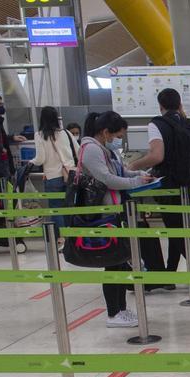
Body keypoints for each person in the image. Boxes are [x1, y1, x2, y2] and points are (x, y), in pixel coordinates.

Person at [77, 111, 155, 328]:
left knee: (120, 260)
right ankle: (113, 312)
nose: (117, 140)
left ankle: (120, 309)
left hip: (114, 210)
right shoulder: (91, 149)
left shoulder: (102, 149)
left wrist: (141, 177)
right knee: (112, 262)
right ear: (105, 132)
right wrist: (136, 183)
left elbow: (119, 172)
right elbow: (107, 179)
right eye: (116, 136)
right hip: (103, 213)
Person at [128, 88, 190, 274]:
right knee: (179, 227)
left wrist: (133, 166)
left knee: (176, 231)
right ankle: (169, 271)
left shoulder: (157, 124)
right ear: (179, 104)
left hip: (169, 184)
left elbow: (157, 156)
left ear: (160, 106)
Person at [30, 106, 78, 239]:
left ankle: (62, 238)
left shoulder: (39, 135)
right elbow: (79, 151)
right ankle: (72, 236)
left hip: (52, 177)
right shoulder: (66, 133)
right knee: (69, 206)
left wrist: (30, 162)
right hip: (70, 175)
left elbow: (40, 159)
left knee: (56, 208)